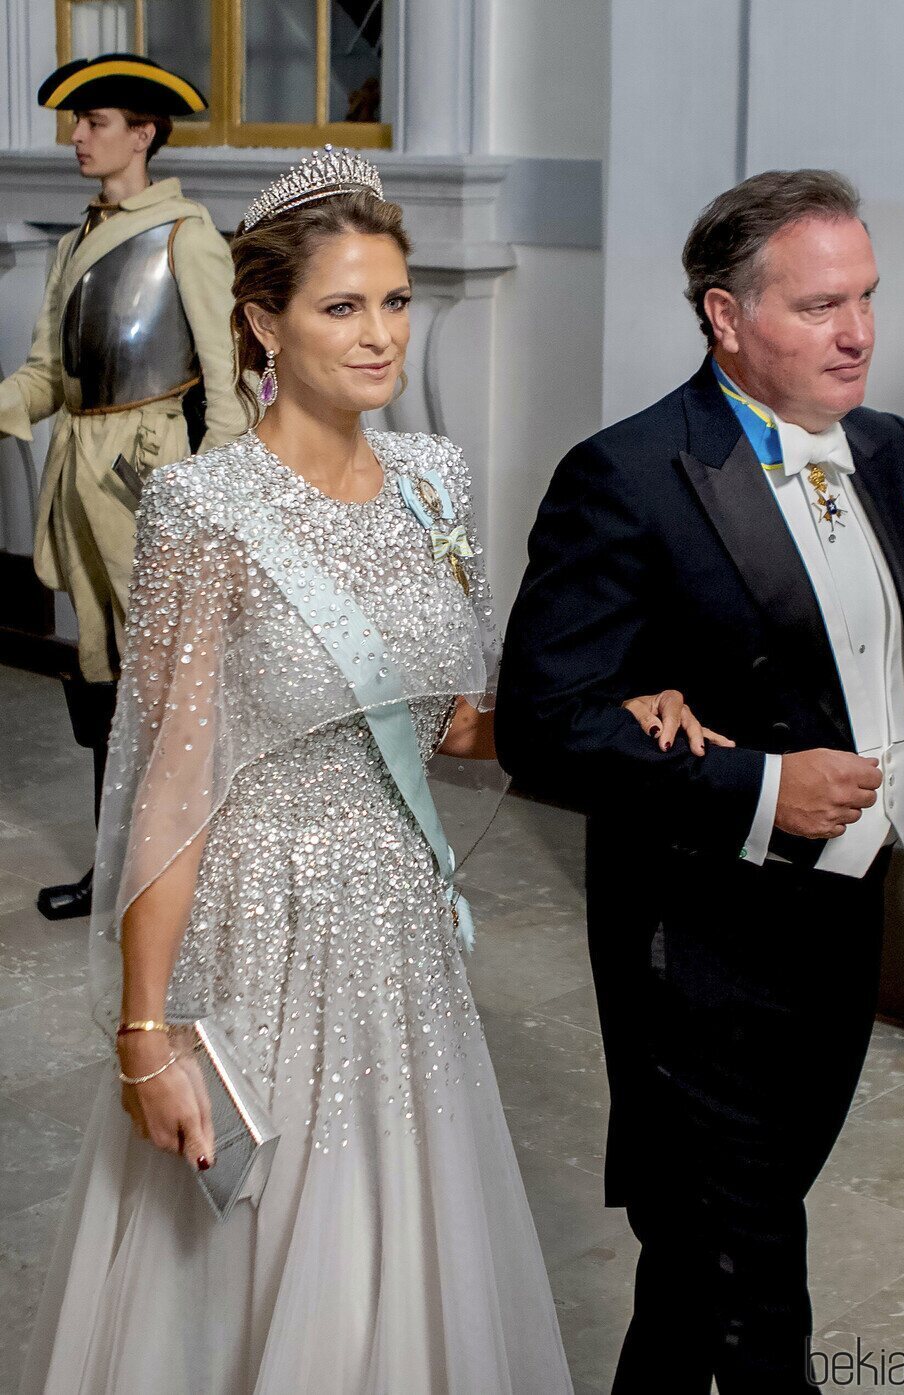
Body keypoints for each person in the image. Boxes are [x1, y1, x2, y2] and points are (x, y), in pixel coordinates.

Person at [21, 146, 581, 1395]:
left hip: (401, 927)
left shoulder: (435, 480)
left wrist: (613, 698)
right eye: (342, 306)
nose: (381, 336)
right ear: (262, 321)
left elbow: (454, 726)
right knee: (252, 1245)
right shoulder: (200, 509)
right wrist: (145, 1033)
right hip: (257, 925)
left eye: (394, 301)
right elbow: (167, 783)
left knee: (400, 1227)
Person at [495, 169, 904, 1393]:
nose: (858, 331)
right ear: (722, 316)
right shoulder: (629, 474)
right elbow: (542, 725)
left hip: (848, 926)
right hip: (698, 946)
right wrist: (761, 788)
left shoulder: (884, 450)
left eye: (864, 297)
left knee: (701, 1265)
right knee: (756, 1286)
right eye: (818, 306)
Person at [0, 53, 243, 920]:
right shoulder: (70, 246)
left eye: (94, 122)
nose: (77, 137)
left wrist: (204, 509)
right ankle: (118, 875)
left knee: (170, 687)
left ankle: (187, 881)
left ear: (143, 133)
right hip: (79, 479)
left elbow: (229, 390)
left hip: (152, 482)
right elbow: (42, 376)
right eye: (78, 123)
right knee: (103, 680)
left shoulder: (187, 235)